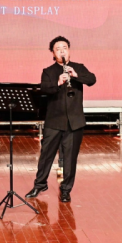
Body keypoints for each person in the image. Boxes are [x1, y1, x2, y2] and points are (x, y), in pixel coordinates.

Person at [26, 36, 96, 203]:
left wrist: (75, 75)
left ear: (69, 50)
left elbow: (92, 80)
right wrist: (58, 82)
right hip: (54, 120)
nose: (62, 51)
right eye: (58, 49)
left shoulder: (78, 67)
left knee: (70, 158)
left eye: (64, 48)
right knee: (46, 154)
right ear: (53, 53)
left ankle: (65, 190)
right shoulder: (48, 71)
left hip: (75, 121)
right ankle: (40, 184)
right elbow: (44, 89)